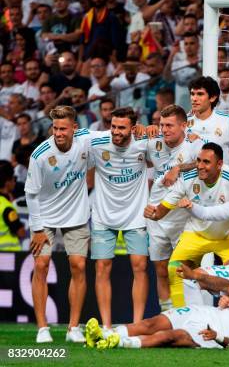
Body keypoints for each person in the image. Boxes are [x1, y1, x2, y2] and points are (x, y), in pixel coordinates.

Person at [25, 106, 96, 343]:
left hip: (75, 214)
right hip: (43, 216)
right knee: (42, 265)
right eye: (55, 128)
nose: (58, 133)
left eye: (63, 128)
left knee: (78, 265)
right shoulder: (40, 155)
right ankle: (42, 329)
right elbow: (31, 195)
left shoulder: (85, 140)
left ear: (74, 128)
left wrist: (142, 129)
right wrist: (36, 230)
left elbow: (112, 135)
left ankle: (73, 328)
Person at [144, 142, 229, 307]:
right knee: (175, 269)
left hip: (228, 236)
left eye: (206, 162)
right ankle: (183, 318)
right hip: (195, 233)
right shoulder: (188, 177)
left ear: (219, 164)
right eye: (198, 161)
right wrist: (153, 214)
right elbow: (162, 209)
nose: (200, 166)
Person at [87, 107, 150, 337]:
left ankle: (137, 326)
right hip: (104, 214)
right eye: (113, 126)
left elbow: (167, 150)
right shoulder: (97, 141)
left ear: (133, 128)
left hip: (136, 214)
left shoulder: (144, 143)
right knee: (102, 267)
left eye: (121, 127)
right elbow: (70, 135)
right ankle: (106, 326)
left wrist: (152, 131)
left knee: (140, 267)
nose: (115, 131)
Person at [85, 290, 229, 350]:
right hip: (203, 313)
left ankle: (115, 342)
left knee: (167, 337)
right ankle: (102, 335)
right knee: (150, 323)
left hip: (209, 335)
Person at [146, 105, 203, 311]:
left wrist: (178, 168)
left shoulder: (195, 144)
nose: (164, 130)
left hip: (183, 216)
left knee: (184, 268)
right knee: (160, 268)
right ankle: (168, 313)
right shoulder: (153, 143)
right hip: (156, 215)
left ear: (184, 125)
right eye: (161, 125)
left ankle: (190, 311)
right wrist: (141, 129)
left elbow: (204, 162)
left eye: (169, 125)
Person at [185, 76, 229, 168]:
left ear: (213, 97)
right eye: (192, 94)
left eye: (200, 94)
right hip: (191, 180)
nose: (194, 98)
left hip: (221, 179)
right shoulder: (183, 123)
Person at [0, 162, 24, 251]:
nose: (15, 181)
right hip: (8, 254)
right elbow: (21, 232)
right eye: (14, 179)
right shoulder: (6, 207)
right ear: (7, 182)